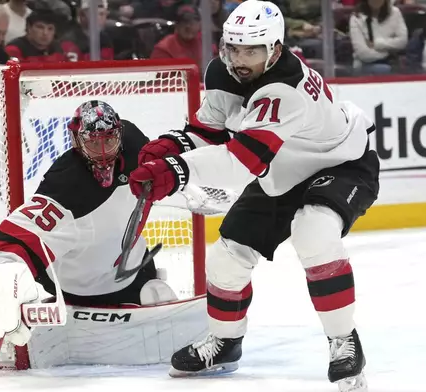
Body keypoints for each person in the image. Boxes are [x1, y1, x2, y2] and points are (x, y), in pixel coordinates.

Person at [128, 1, 379, 391]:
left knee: (314, 232)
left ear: (275, 50)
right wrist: (170, 147)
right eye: (234, 48)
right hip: (281, 170)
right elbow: (210, 131)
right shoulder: (222, 71)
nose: (240, 60)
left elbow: (239, 162)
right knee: (226, 258)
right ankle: (226, 341)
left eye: (252, 51)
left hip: (340, 165)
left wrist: (175, 171)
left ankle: (343, 341)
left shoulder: (285, 88)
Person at [0, 100, 208, 367]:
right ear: (76, 140)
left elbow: (178, 157)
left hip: (132, 275)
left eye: (110, 139)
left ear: (120, 134)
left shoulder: (137, 145)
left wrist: (187, 181)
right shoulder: (65, 185)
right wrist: (7, 286)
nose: (103, 151)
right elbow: (7, 244)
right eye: (93, 141)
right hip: (73, 294)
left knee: (158, 294)